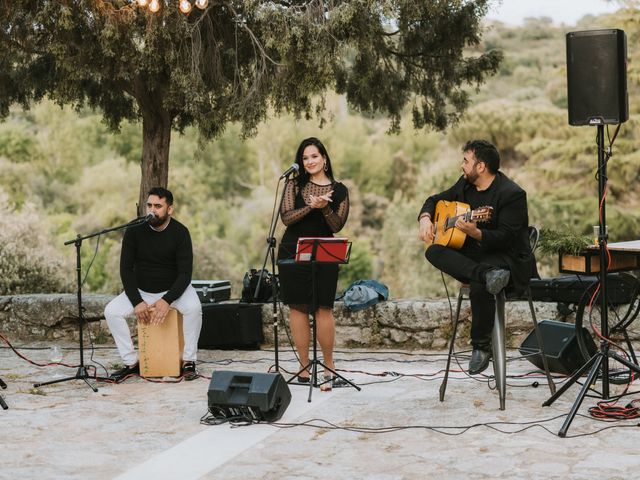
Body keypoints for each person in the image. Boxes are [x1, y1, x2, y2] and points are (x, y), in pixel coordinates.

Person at [418, 140, 532, 375]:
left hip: (507, 259)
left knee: (480, 280)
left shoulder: (512, 194)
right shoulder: (465, 186)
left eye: (466, 161)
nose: (462, 166)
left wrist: (476, 232)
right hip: (478, 259)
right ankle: (487, 274)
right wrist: (426, 218)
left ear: (480, 166)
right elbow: (435, 199)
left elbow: (508, 239)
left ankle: (481, 346)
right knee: (433, 250)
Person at [105, 187, 202, 382]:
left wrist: (167, 300)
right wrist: (136, 301)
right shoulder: (134, 229)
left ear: (169, 209)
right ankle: (131, 363)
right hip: (142, 289)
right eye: (149, 205)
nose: (152, 210)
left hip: (173, 290)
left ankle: (189, 361)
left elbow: (185, 274)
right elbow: (126, 269)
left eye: (158, 206)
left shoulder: (180, 232)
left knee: (194, 309)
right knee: (111, 312)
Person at [277, 137, 349, 390]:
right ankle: (304, 367)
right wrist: (310, 206)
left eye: (314, 156)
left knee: (323, 308)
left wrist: (325, 208)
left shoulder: (339, 190)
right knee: (297, 308)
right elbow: (286, 218)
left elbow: (337, 225)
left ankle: (329, 367)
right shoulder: (293, 184)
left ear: (324, 159)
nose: (309, 161)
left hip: (325, 250)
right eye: (305, 158)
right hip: (292, 249)